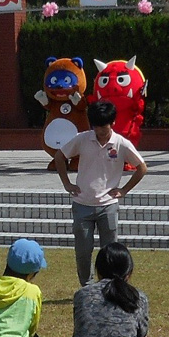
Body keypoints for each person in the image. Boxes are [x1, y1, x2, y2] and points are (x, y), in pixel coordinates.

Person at [54, 100, 148, 286]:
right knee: (83, 251)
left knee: (110, 252)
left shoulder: (121, 143)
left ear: (112, 123)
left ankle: (109, 286)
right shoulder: (82, 139)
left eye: (103, 127)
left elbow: (142, 167)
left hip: (108, 206)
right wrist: (67, 183)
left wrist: (124, 190)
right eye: (96, 127)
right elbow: (59, 156)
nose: (100, 132)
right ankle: (87, 286)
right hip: (82, 204)